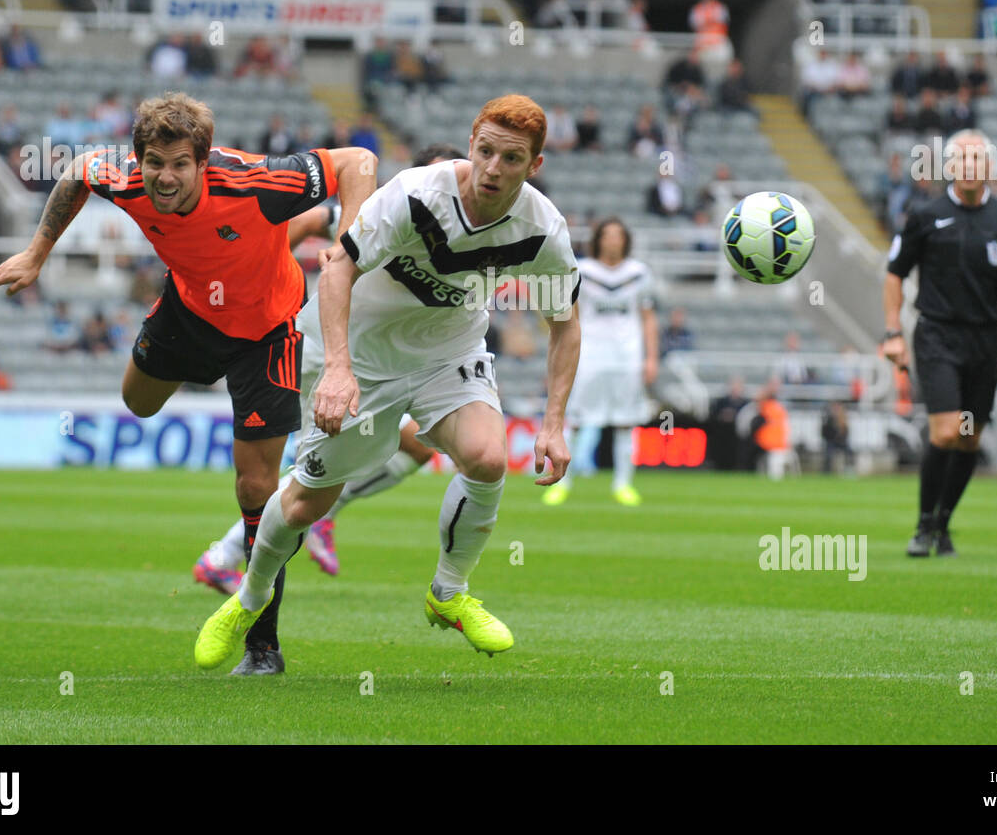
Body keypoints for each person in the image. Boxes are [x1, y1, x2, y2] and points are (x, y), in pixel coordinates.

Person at [0, 93, 376, 675]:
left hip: (265, 332)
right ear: (139, 158)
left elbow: (357, 162)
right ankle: (296, 233)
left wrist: (348, 252)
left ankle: (262, 645)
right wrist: (37, 252)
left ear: (203, 159)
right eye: (154, 163)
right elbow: (75, 172)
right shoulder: (126, 177)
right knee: (137, 403)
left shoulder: (252, 182)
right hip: (190, 310)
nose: (165, 177)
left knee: (255, 488)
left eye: (179, 164)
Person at [193, 95, 581, 666]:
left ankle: (449, 593)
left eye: (513, 158)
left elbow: (565, 325)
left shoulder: (542, 230)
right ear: (471, 142)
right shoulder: (416, 194)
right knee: (303, 505)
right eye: (486, 151)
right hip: (365, 358)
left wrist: (553, 425)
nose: (495, 168)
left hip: (448, 353)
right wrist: (339, 370)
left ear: (535, 165)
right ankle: (248, 599)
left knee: (488, 458)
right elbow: (338, 267)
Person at [195, 145, 466, 584]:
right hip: (329, 351)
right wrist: (334, 249)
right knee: (311, 470)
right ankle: (223, 558)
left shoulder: (465, 240)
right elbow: (303, 224)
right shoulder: (388, 207)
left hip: (385, 359)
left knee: (415, 445)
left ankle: (311, 519)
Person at [882, 129, 997, 557]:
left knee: (970, 438)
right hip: (937, 335)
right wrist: (892, 332)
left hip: (986, 340)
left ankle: (942, 523)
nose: (970, 167)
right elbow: (894, 273)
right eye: (962, 160)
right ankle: (922, 526)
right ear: (949, 167)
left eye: (978, 160)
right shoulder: (924, 214)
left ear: (990, 168)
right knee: (947, 430)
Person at [542, 218, 657, 508]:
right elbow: (570, 317)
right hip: (590, 355)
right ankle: (561, 483)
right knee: (577, 420)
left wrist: (651, 358)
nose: (613, 241)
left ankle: (623, 484)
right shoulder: (583, 271)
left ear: (626, 240)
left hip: (627, 356)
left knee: (625, 422)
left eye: (619, 235)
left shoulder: (639, 273)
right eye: (608, 235)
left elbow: (647, 317)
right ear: (598, 240)